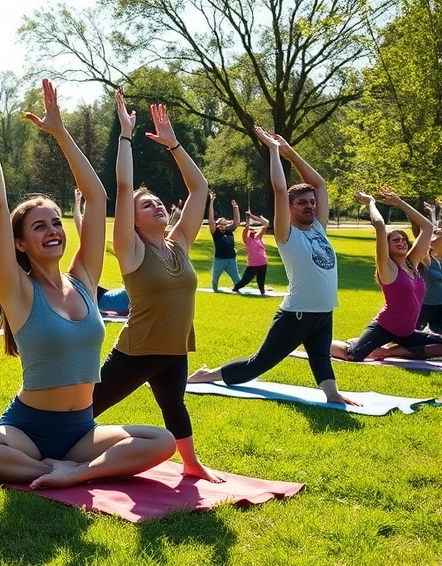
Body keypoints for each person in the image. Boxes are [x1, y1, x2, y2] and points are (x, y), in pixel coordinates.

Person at [0, 81, 175, 490]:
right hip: (27, 430)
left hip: (81, 430)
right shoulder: (16, 290)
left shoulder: (84, 279)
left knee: (161, 441)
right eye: (39, 226)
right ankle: (51, 472)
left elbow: (97, 196)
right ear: (20, 242)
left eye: (56, 222)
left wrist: (59, 131)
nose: (53, 230)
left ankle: (76, 472)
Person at [91, 90, 225, 483]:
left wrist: (175, 146)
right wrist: (126, 135)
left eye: (159, 202)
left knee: (173, 405)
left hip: (174, 348)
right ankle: (45, 446)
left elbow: (200, 190)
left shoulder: (178, 244)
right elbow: (122, 185)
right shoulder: (130, 249)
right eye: (146, 204)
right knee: (87, 410)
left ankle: (192, 463)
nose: (158, 205)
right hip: (139, 349)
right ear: (131, 220)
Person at [187, 127, 358, 405]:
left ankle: (332, 393)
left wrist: (291, 152)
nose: (310, 206)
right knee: (258, 364)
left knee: (319, 354)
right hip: (297, 313)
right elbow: (280, 189)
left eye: (312, 203)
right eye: (302, 203)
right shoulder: (286, 234)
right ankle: (208, 374)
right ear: (289, 208)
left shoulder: (318, 228)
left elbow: (321, 183)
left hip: (323, 311)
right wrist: (274, 151)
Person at [328, 189, 442, 361]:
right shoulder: (387, 267)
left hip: (407, 332)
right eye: (395, 240)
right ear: (386, 247)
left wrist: (400, 203)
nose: (401, 242)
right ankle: (317, 341)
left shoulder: (412, 263)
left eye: (403, 239)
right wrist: (370, 202)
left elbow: (427, 227)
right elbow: (380, 225)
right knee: (352, 354)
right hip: (385, 328)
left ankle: (386, 352)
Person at [72, 188, 130, 316]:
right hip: (100, 296)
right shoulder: (88, 235)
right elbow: (77, 219)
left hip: (105, 296)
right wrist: (77, 202)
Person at [413, 203, 442, 334]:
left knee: (438, 336)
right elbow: (419, 233)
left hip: (440, 306)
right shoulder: (427, 258)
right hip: (424, 305)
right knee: (411, 333)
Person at [208, 191, 241, 292]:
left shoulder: (229, 231)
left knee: (238, 283)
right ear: (217, 224)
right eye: (220, 221)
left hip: (231, 260)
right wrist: (211, 201)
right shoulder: (216, 232)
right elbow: (211, 220)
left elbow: (236, 222)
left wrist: (236, 208)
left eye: (224, 221)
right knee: (214, 283)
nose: (223, 222)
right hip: (219, 260)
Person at [232, 210, 271, 295]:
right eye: (251, 230)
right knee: (245, 280)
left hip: (263, 263)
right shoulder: (247, 240)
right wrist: (248, 219)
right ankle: (235, 288)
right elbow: (246, 229)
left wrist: (252, 215)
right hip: (252, 265)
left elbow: (266, 223)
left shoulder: (259, 238)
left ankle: (262, 293)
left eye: (253, 229)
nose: (252, 230)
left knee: (261, 280)